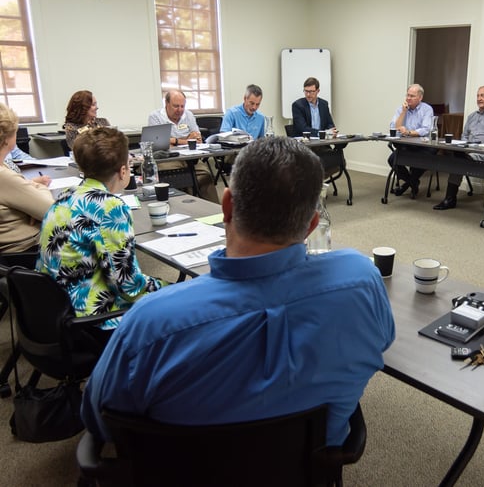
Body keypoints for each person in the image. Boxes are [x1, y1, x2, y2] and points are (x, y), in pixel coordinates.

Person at [81, 136, 395, 447]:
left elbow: (99, 419)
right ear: (312, 225)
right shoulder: (362, 279)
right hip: (313, 465)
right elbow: (383, 341)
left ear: (227, 206)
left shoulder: (149, 324)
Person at [37, 127, 166, 333]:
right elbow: (128, 285)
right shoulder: (110, 207)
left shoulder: (65, 196)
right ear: (123, 171)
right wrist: (164, 285)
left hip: (54, 308)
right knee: (179, 297)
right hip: (92, 319)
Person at [433, 85, 484, 210]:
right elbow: (464, 135)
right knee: (457, 156)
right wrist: (464, 145)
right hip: (468, 151)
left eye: (482, 95)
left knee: (457, 160)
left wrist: (478, 146)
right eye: (477, 96)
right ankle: (450, 197)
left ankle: (450, 199)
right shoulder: (472, 116)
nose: (479, 98)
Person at [147, 89, 219, 203]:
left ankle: (216, 210)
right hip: (169, 158)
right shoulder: (155, 117)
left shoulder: (188, 115)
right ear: (166, 103)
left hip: (191, 157)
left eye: (182, 106)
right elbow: (159, 143)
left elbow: (198, 139)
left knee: (206, 175)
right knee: (180, 177)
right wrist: (185, 140)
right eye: (176, 106)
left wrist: (173, 141)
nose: (180, 110)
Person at [0, 103, 53, 253]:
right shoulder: (3, 175)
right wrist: (41, 188)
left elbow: (19, 186)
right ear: (6, 139)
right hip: (27, 252)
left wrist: (32, 204)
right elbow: (51, 211)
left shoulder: (5, 168)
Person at [388, 84, 435, 198]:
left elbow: (426, 129)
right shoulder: (401, 109)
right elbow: (394, 127)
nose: (408, 98)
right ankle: (413, 182)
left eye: (412, 96)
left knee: (422, 161)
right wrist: (403, 112)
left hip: (423, 145)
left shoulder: (427, 109)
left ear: (420, 97)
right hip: (406, 145)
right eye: (407, 95)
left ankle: (407, 184)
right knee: (392, 160)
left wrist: (409, 132)